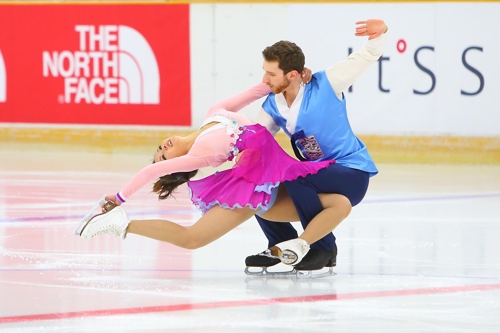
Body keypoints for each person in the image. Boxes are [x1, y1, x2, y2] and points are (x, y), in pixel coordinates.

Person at [76, 80, 345, 267]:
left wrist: (289, 77)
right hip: (255, 194)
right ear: (178, 163)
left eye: (159, 147)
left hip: (272, 180)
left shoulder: (214, 114)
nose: (163, 148)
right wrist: (119, 198)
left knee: (338, 202)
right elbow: (152, 170)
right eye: (164, 154)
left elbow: (255, 91)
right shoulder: (200, 155)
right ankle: (121, 223)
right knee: (193, 239)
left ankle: (291, 246)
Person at [245, 19, 388, 272]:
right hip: (315, 179)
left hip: (351, 173)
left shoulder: (326, 83)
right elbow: (255, 141)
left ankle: (323, 247)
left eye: (271, 73)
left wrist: (380, 34)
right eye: (264, 71)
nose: (264, 79)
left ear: (291, 74)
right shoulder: (271, 105)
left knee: (295, 173)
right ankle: (280, 245)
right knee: (258, 178)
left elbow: (365, 56)